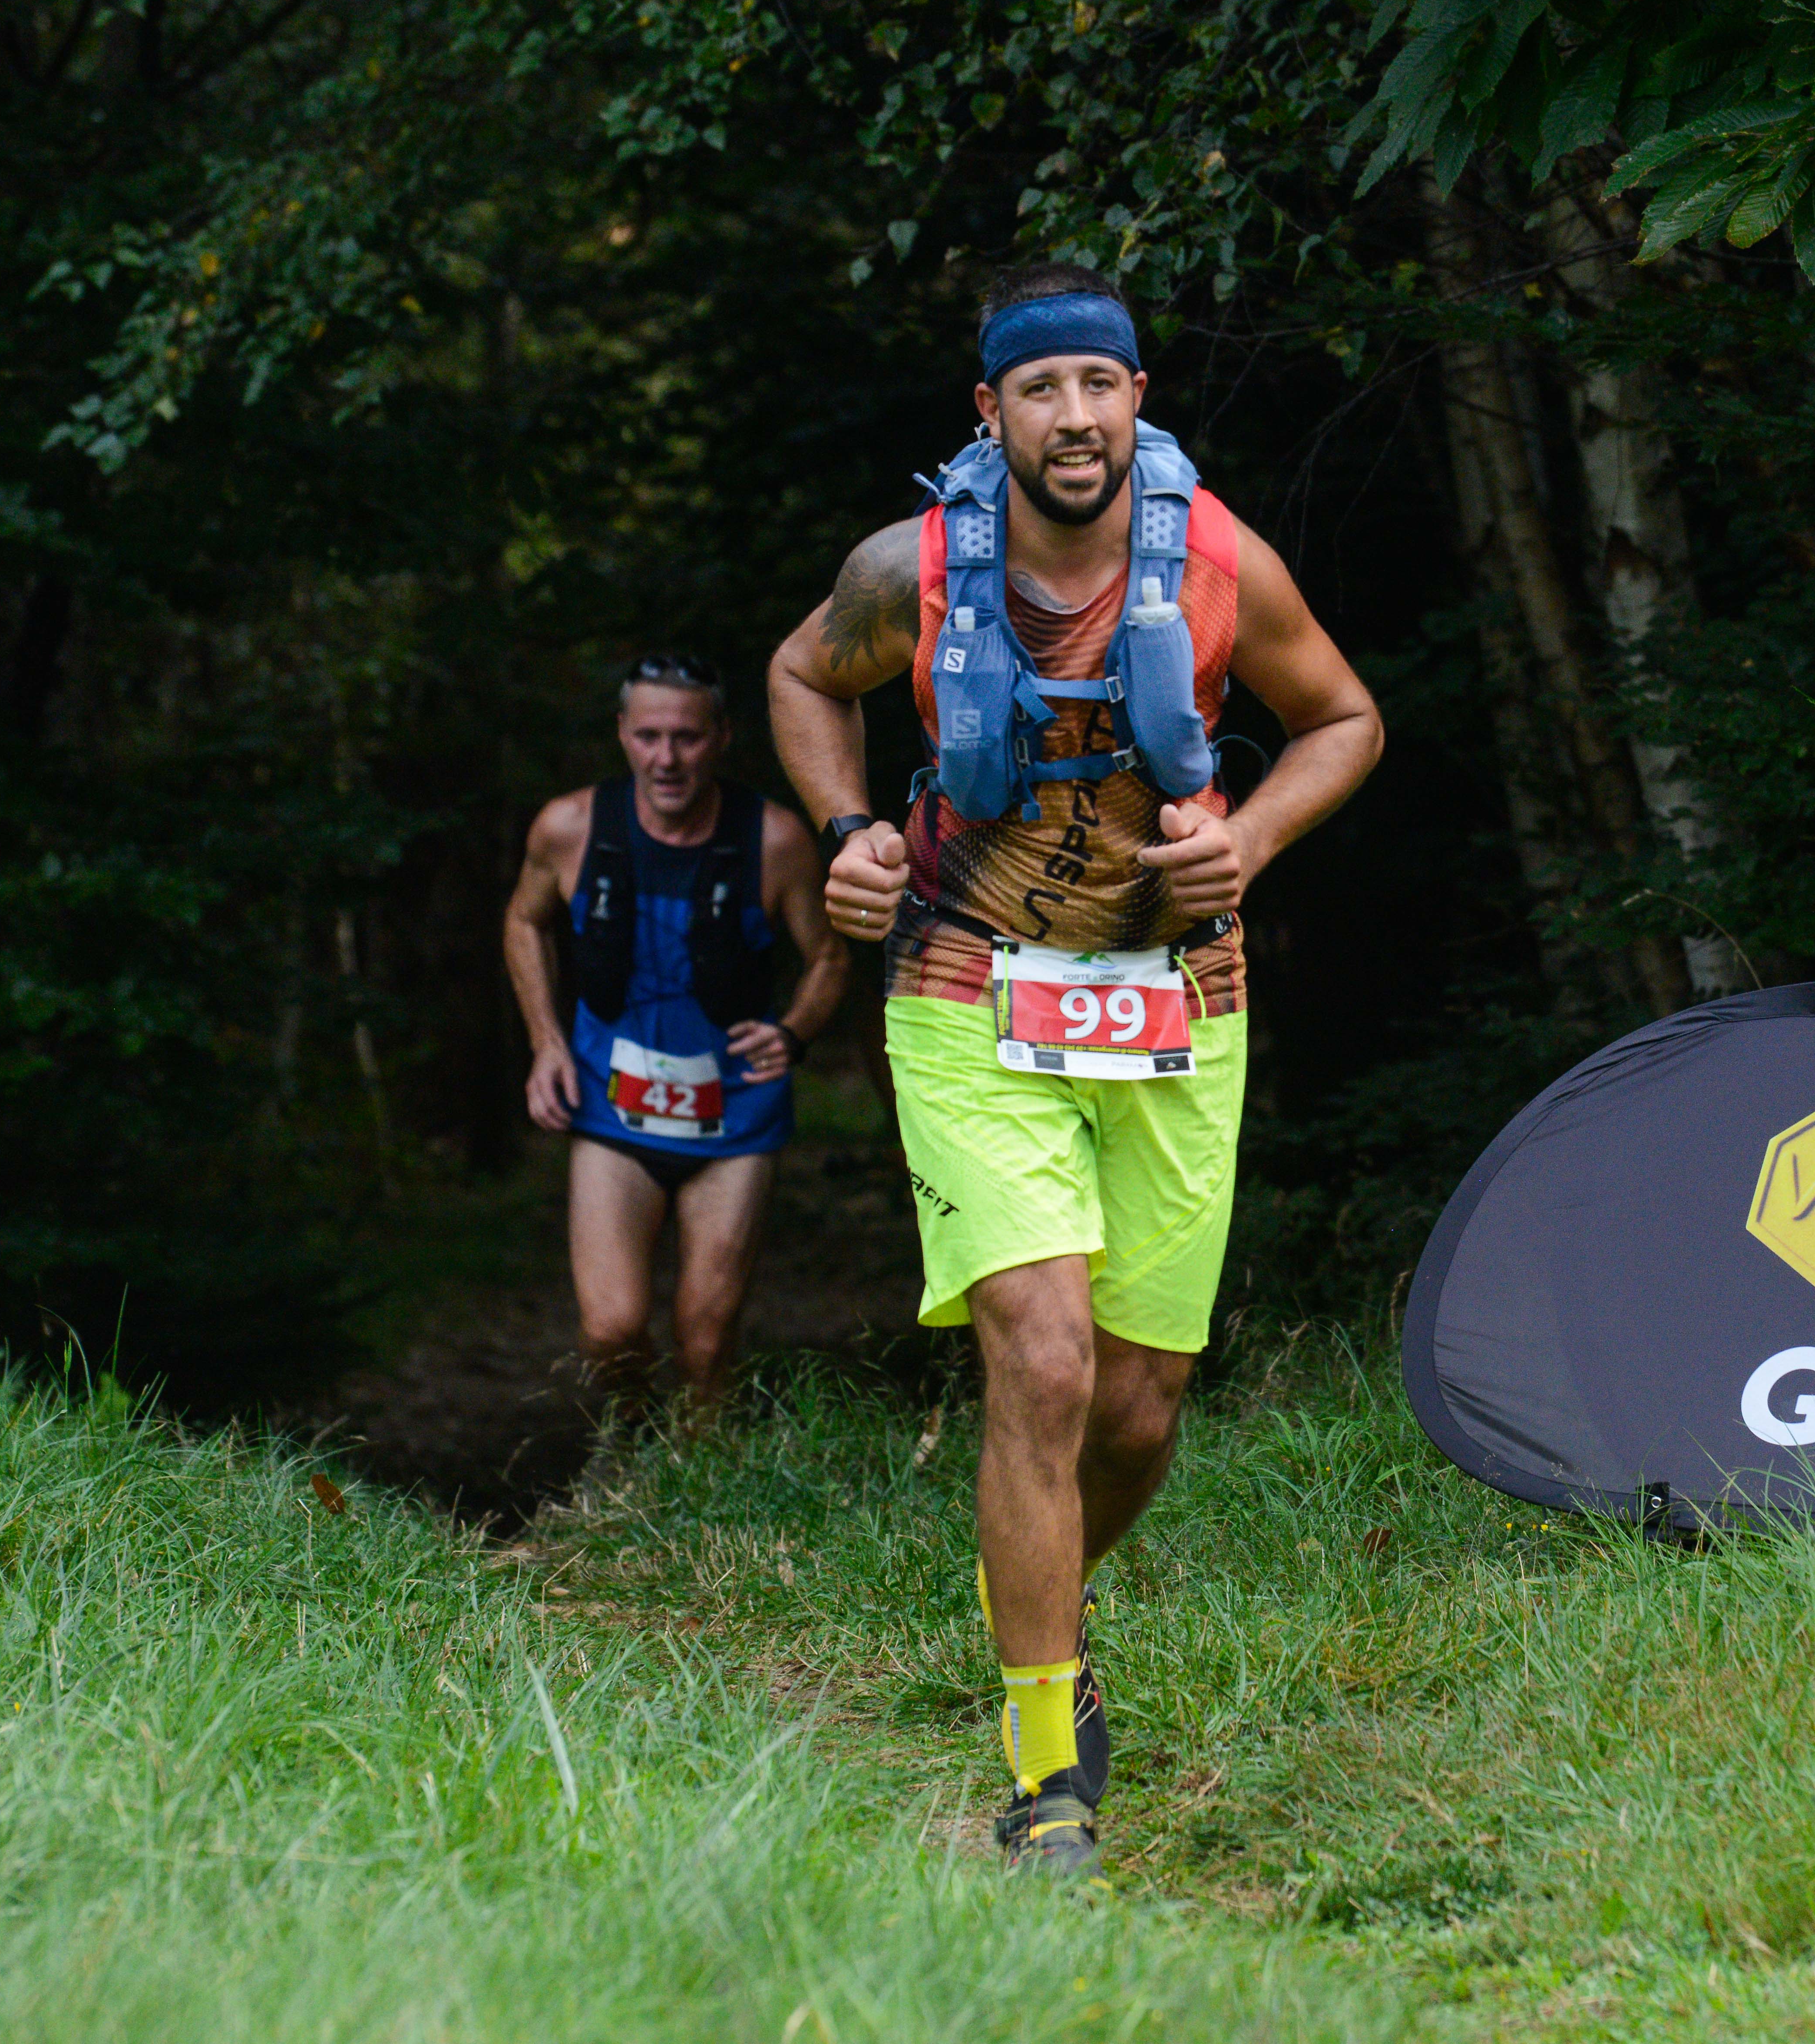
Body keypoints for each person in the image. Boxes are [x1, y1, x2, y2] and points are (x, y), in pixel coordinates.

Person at [766, 264, 1383, 1883]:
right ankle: (1050, 1771)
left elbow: (1346, 721)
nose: (1075, 417)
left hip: (1179, 995)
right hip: (968, 982)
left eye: (1100, 384)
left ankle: (1029, 1583)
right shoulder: (912, 570)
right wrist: (851, 832)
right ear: (992, 414)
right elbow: (801, 676)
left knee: (1137, 1402)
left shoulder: (1220, 563)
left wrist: (1250, 838)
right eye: (1040, 390)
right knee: (1040, 1364)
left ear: (1136, 400)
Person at [506, 654, 849, 1427]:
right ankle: (634, 1436)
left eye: (687, 738)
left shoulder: (774, 840)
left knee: (705, 1337)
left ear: (721, 738)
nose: (667, 759)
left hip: (735, 1120)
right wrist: (547, 1043)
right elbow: (524, 921)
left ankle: (699, 1467)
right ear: (622, 735)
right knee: (610, 1330)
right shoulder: (569, 828)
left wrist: (794, 1032)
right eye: (649, 736)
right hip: (611, 1111)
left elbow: (830, 957)